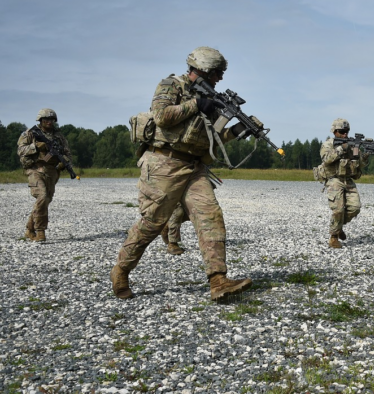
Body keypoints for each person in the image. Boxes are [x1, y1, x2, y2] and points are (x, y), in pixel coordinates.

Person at [110, 46, 263, 301]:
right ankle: (121, 270)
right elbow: (161, 116)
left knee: (210, 216)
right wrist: (197, 104)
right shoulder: (172, 85)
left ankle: (218, 280)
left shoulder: (213, 99)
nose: (220, 78)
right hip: (163, 165)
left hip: (194, 167)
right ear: (200, 69)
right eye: (216, 73)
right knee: (152, 223)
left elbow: (214, 138)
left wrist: (238, 130)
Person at [16, 108, 74, 242]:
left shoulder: (58, 137)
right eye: (46, 119)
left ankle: (30, 229)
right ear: (40, 120)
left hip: (52, 171)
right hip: (35, 168)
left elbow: (68, 154)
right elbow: (20, 150)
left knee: (45, 200)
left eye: (52, 120)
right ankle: (40, 231)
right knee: (41, 196)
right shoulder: (30, 134)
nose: (49, 122)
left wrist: (63, 163)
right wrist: (35, 147)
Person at [319, 118, 369, 248]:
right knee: (338, 209)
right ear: (335, 131)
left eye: (346, 131)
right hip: (334, 179)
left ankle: (338, 226)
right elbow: (327, 158)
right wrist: (342, 148)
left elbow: (360, 164)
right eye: (341, 131)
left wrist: (365, 154)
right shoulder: (328, 144)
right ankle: (334, 237)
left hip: (348, 179)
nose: (345, 134)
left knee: (355, 208)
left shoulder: (352, 145)